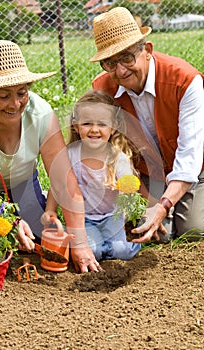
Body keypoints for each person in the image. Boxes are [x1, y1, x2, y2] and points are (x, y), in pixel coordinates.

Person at [0, 40, 101, 273]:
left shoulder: (40, 114)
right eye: (4, 96)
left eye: (22, 93)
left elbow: (63, 180)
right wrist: (9, 221)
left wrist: (80, 242)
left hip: (23, 186)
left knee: (37, 238)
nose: (15, 104)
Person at [89, 7, 204, 244]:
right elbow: (115, 157)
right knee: (156, 233)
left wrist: (164, 205)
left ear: (147, 50)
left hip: (196, 169)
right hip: (149, 175)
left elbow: (189, 156)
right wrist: (148, 201)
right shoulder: (102, 92)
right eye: (110, 63)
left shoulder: (184, 80)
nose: (120, 71)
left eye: (127, 58)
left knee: (194, 229)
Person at [44, 90, 141, 261]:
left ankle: (124, 244)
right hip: (84, 219)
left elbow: (129, 190)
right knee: (94, 251)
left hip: (112, 216)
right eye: (87, 123)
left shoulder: (117, 158)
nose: (94, 130)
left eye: (102, 124)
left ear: (113, 128)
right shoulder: (70, 154)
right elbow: (57, 184)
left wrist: (127, 200)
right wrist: (50, 210)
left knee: (122, 252)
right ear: (76, 126)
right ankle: (101, 247)